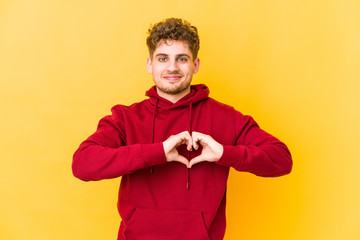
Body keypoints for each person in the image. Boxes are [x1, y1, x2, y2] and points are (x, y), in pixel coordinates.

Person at [72, 18, 292, 240]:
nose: (172, 67)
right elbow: (83, 164)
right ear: (150, 64)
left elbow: (281, 159)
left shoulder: (226, 117)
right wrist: (157, 152)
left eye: (182, 59)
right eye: (163, 58)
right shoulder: (125, 118)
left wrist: (225, 153)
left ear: (195, 65)